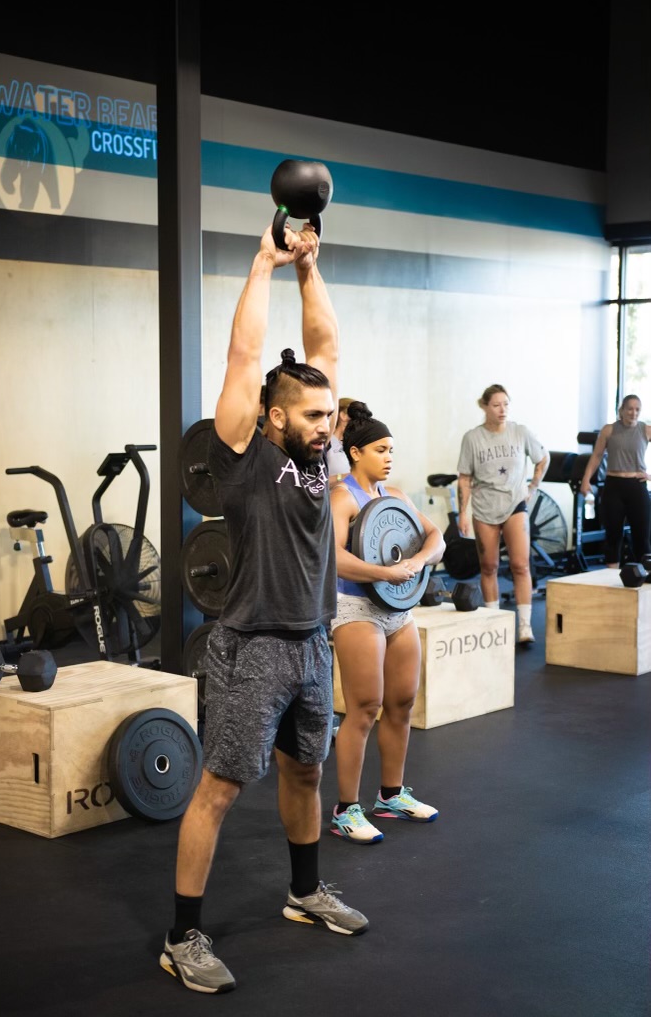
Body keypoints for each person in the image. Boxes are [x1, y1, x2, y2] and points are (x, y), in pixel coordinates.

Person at [160, 223, 368, 995]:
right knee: (217, 790)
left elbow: (328, 349)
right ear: (275, 418)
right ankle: (182, 937)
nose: (327, 425)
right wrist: (264, 264)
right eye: (313, 416)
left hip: (313, 642)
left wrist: (313, 266)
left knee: (305, 776)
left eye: (329, 415)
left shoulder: (322, 454)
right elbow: (245, 359)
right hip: (251, 648)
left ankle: (305, 891)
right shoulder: (245, 456)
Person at [329, 401, 445, 844]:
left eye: (392, 449)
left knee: (402, 702)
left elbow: (436, 538)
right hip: (357, 608)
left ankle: (391, 796)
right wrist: (383, 572)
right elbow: (333, 558)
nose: (389, 456)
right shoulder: (342, 497)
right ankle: (346, 808)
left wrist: (415, 560)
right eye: (380, 449)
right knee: (364, 708)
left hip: (399, 609)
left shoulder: (395, 497)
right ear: (356, 452)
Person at [456, 384, 550, 645]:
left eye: (506, 404)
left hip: (515, 504)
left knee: (520, 565)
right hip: (485, 507)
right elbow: (464, 478)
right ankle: (493, 623)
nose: (502, 410)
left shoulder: (520, 432)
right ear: (484, 406)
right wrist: (463, 513)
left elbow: (543, 458)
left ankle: (524, 625)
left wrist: (533, 487)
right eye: (496, 405)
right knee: (489, 566)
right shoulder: (472, 438)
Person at [579, 394, 651, 566]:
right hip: (614, 486)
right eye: (630, 409)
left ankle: (646, 583)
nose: (633, 413)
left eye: (637, 410)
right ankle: (610, 582)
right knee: (612, 537)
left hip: (637, 485)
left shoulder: (645, 430)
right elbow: (596, 456)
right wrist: (585, 480)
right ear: (622, 410)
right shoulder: (609, 430)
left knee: (642, 538)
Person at [326, 396, 356, 487]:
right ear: (343, 415)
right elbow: (314, 483)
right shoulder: (325, 443)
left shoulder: (355, 445)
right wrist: (343, 477)